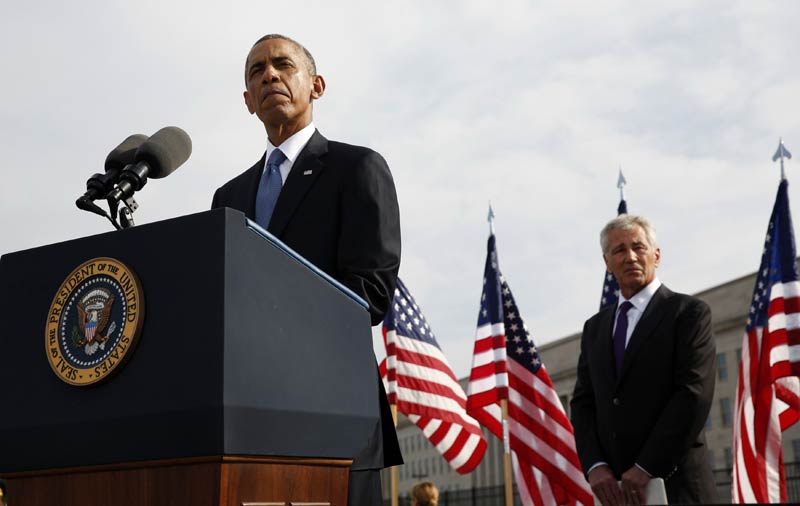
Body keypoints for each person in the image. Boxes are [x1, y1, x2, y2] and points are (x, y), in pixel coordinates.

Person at [212, 34, 402, 505]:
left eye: (282, 65)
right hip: (245, 421)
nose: (269, 75)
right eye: (257, 71)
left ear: (316, 85)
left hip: (332, 414)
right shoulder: (227, 199)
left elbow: (370, 293)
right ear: (247, 100)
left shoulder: (356, 168)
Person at [570, 215, 716, 505]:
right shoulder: (594, 328)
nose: (631, 257)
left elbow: (692, 394)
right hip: (615, 493)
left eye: (639, 247)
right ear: (607, 263)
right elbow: (583, 402)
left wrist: (647, 467)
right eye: (619, 250)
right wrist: (595, 466)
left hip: (677, 488)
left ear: (656, 255)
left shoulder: (688, 313)